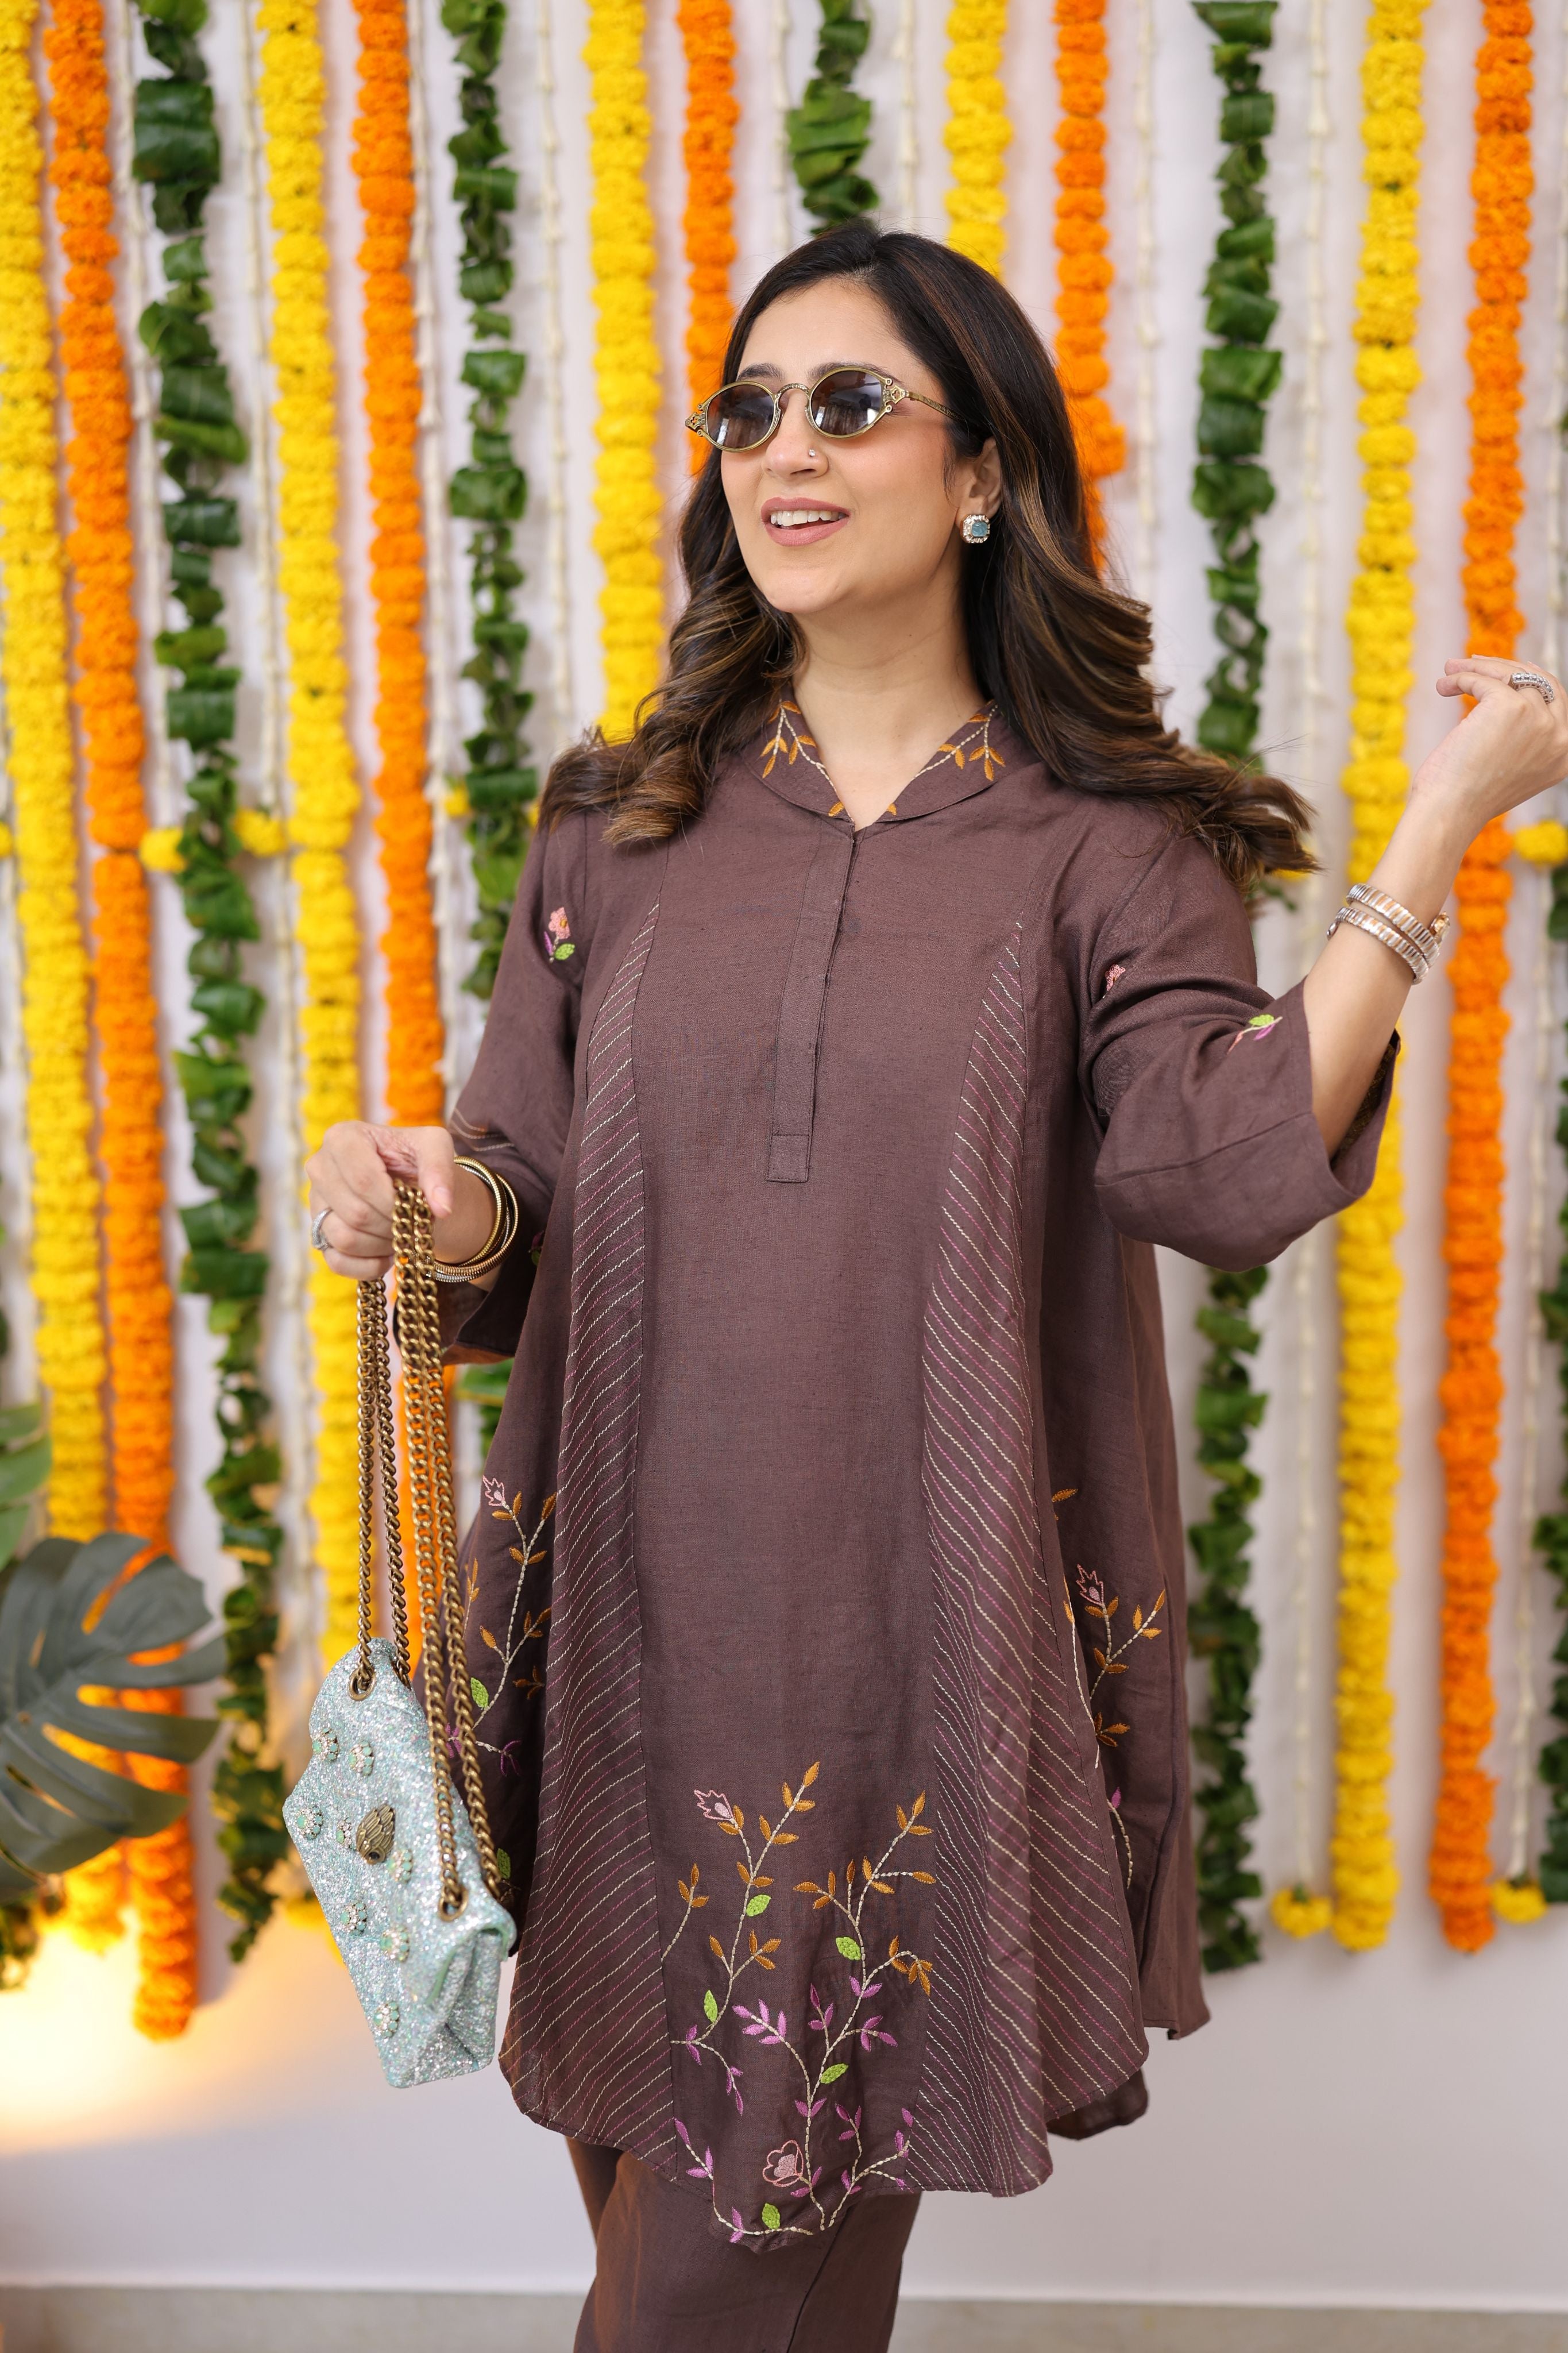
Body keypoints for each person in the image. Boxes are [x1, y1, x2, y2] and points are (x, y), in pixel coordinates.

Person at [305, 224, 1568, 2352]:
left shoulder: (1107, 845)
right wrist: (417, 1210)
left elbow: (1216, 1163)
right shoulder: (617, 825)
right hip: (619, 1624)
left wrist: (1436, 827)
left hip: (915, 1644)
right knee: (676, 2216)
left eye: (847, 404)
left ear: (983, 472)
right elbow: (520, 1198)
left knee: (714, 2269)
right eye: (747, 410)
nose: (780, 451)